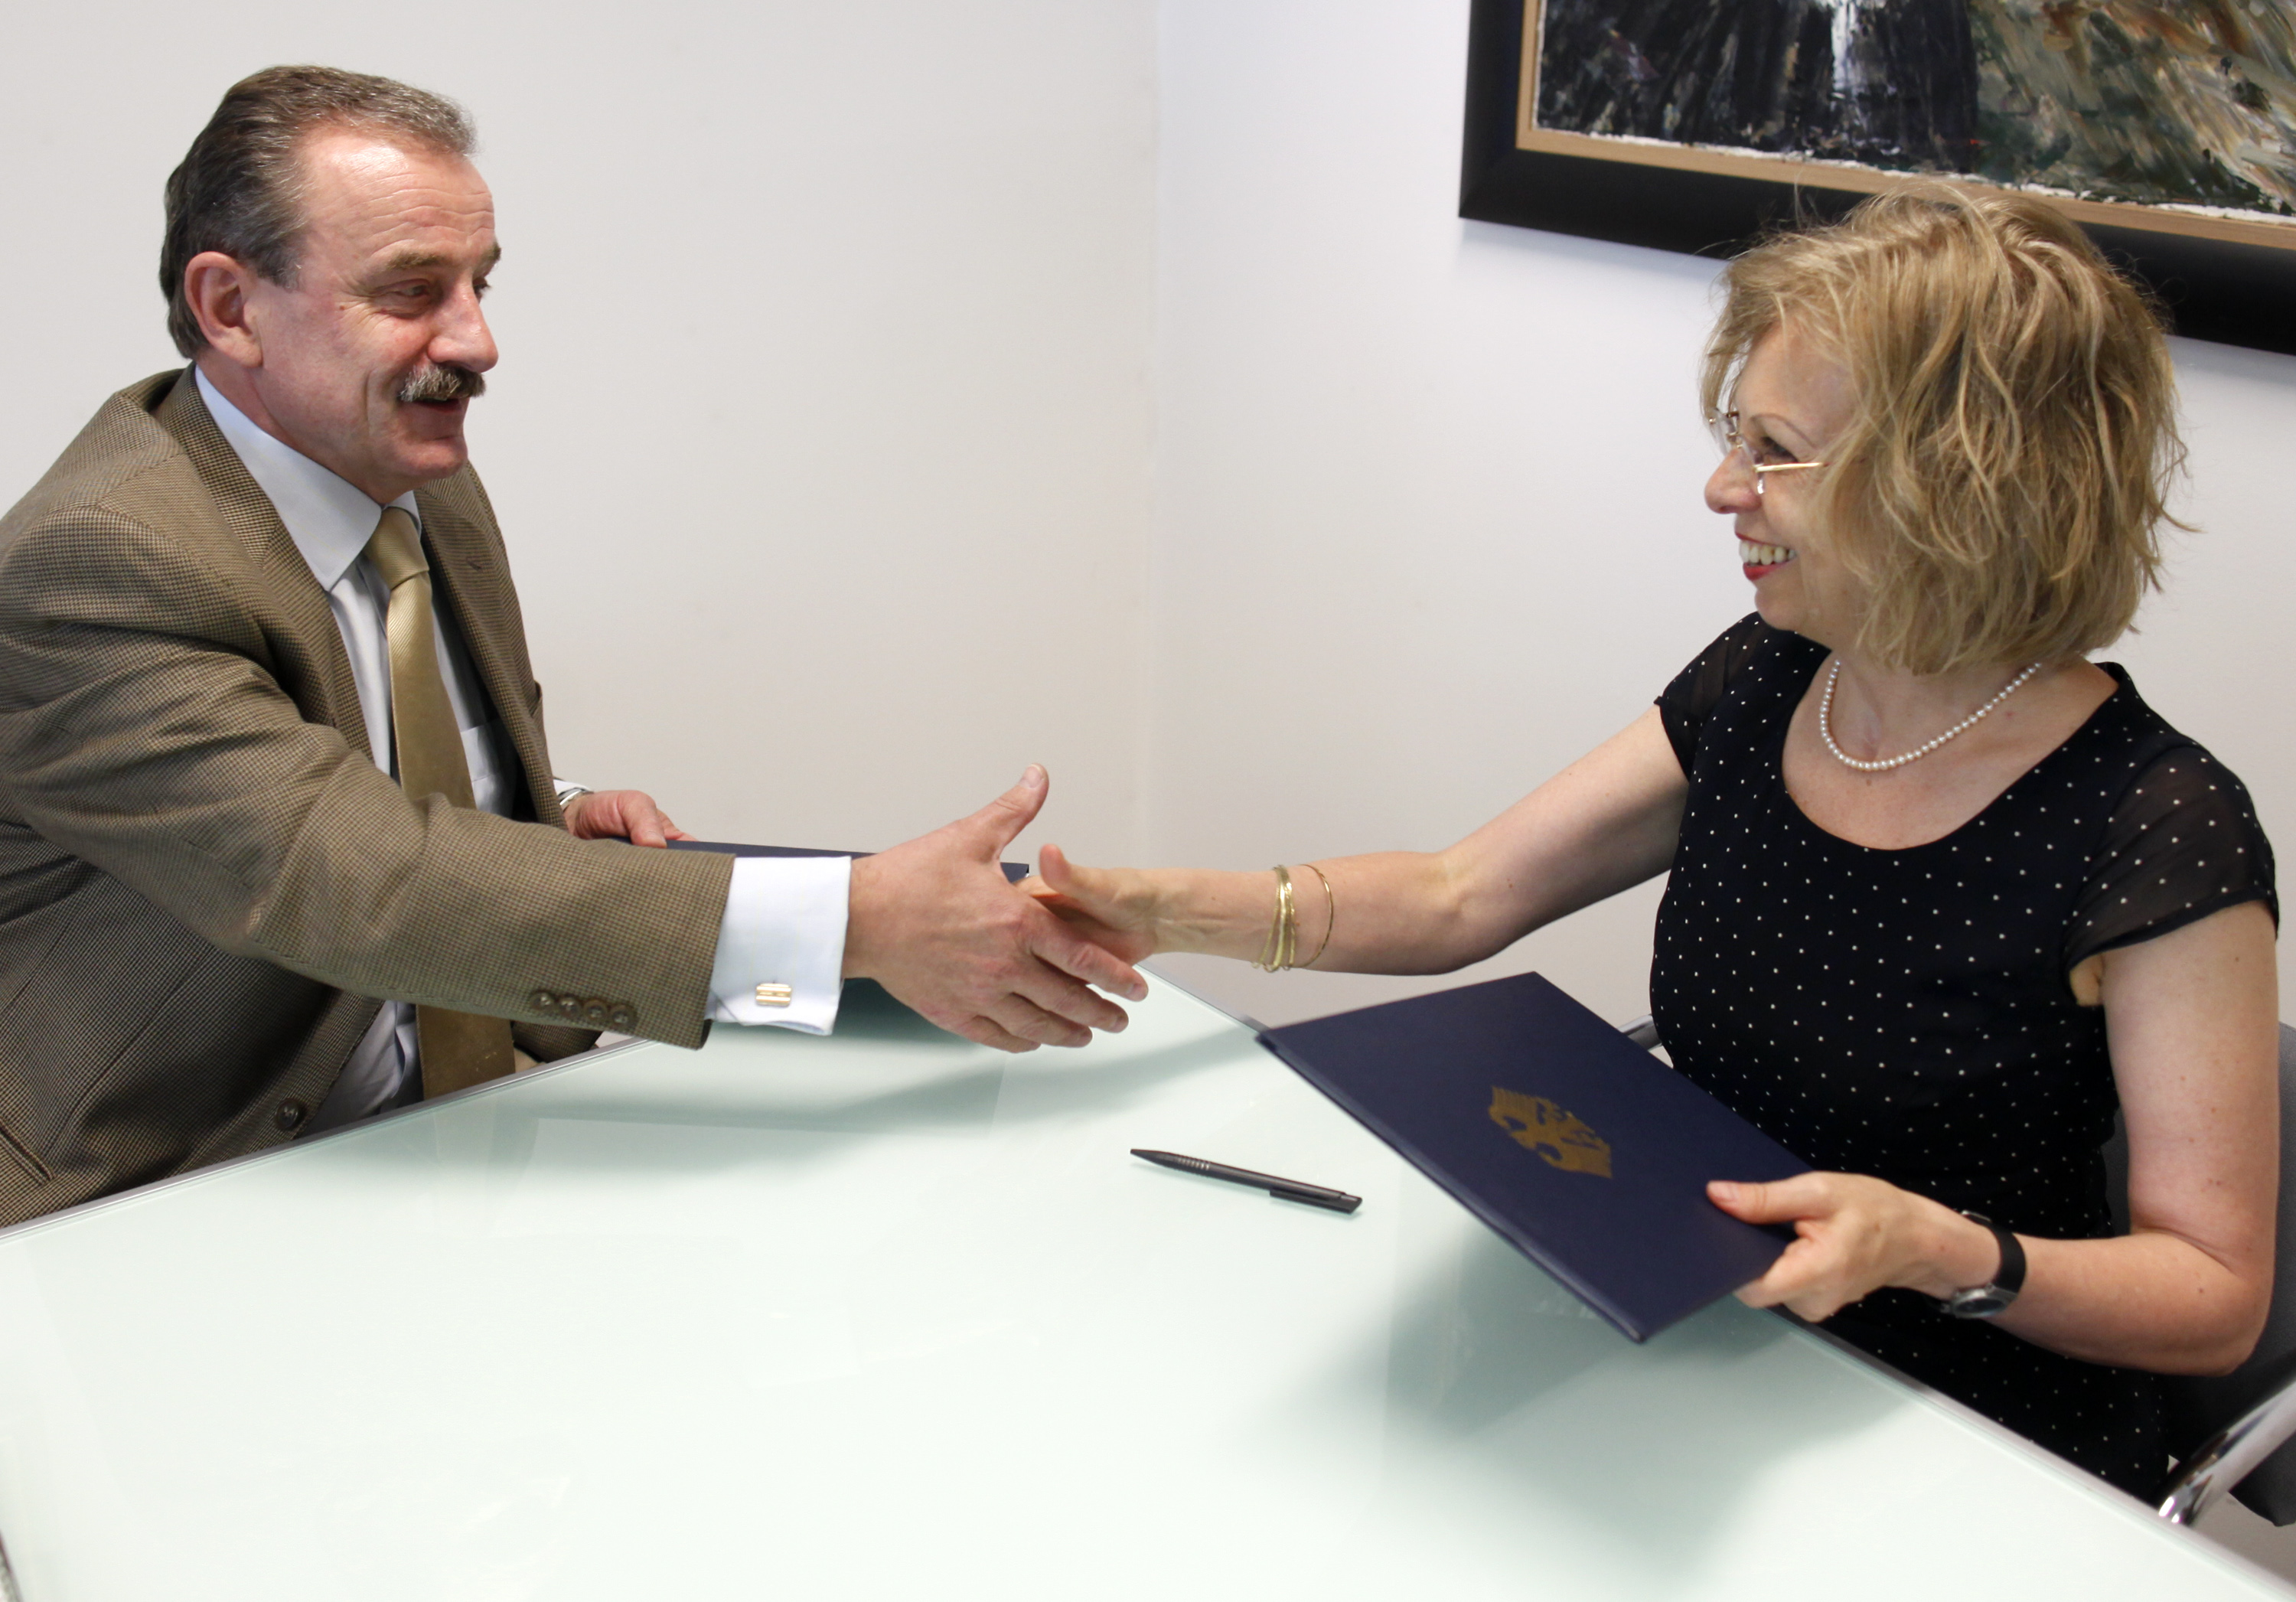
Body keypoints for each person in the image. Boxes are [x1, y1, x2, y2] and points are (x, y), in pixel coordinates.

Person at [1026, 184, 2278, 1496]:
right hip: (1698, 1342)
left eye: (1775, 450)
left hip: (1967, 1431)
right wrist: (1166, 911)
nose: (1722, 487)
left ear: (1954, 485)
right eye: (1732, 436)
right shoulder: (1772, 678)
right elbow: (1462, 894)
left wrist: (1938, 1247)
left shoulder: (2158, 830)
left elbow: (2212, 1294)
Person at [0, 66, 1143, 1228]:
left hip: (477, 1128)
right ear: (230, 306)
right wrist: (863, 921)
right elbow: (350, 875)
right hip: (176, 1190)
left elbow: (338, 761)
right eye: (410, 291)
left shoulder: (412, 473)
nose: (478, 342)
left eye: (478, 284)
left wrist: (545, 804)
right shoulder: (95, 561)